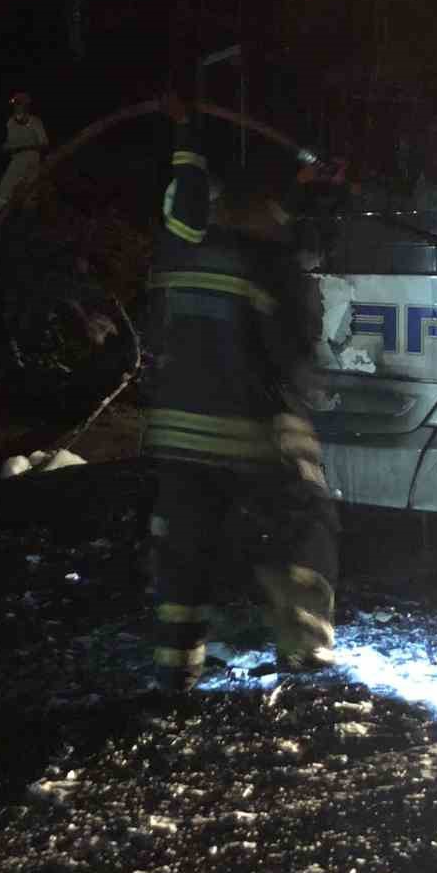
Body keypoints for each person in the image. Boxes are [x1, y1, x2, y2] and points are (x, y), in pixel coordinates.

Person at [142, 92, 340, 693]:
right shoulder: (271, 266)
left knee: (184, 551)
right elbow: (298, 349)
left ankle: (175, 673)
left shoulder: (178, 249)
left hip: (175, 433)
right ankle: (305, 653)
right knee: (305, 519)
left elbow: (186, 188)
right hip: (248, 430)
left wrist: (185, 134)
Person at [0, 92, 49, 211]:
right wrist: (5, 147)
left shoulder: (35, 121)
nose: (17, 106)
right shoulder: (10, 122)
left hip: (32, 157)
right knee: (6, 186)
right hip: (16, 158)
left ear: (26, 105)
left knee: (20, 187)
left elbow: (44, 143)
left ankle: (27, 212)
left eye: (19, 103)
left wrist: (26, 147)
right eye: (15, 104)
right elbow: (11, 142)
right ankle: (5, 210)